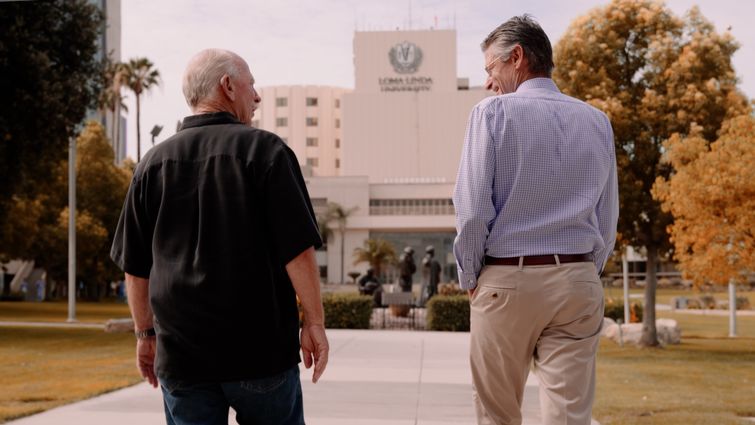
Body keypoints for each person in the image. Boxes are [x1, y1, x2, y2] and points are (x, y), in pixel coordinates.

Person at [110, 48, 329, 425]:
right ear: (227, 86)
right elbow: (298, 251)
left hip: (182, 362)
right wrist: (314, 324)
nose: (257, 96)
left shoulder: (152, 164)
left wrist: (145, 335)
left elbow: (136, 266)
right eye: (252, 85)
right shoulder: (267, 152)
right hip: (260, 358)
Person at [453, 16, 618, 425]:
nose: (490, 81)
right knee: (569, 415)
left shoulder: (490, 115)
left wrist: (471, 275)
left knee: (498, 415)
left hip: (508, 280)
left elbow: (472, 210)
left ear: (517, 57)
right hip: (578, 280)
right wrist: (585, 271)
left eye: (492, 69)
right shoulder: (597, 121)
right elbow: (608, 213)